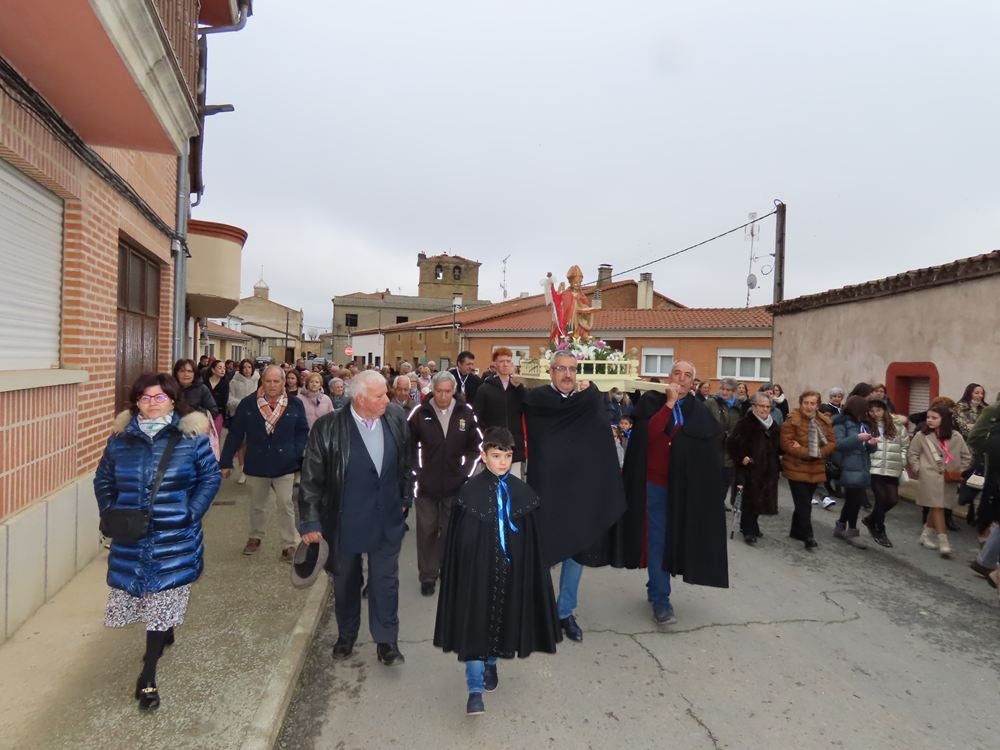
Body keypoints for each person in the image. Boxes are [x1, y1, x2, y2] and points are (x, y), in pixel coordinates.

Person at [94, 373, 220, 710]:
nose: (152, 403)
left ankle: (147, 675)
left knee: (163, 603)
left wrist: (191, 514)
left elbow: (209, 477)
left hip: (174, 536)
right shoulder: (120, 438)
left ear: (172, 400)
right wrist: (109, 512)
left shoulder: (190, 436)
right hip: (132, 535)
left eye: (159, 397)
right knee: (143, 597)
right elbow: (103, 477)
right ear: (136, 401)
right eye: (145, 397)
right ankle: (164, 633)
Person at [433, 427, 560, 716]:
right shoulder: (469, 492)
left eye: (507, 456)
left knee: (500, 621)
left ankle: (491, 663)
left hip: (509, 575)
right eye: (496, 456)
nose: (502, 462)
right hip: (476, 575)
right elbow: (458, 540)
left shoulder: (522, 493)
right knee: (475, 625)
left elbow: (531, 541)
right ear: (483, 456)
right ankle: (474, 688)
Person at [298, 370, 412, 666]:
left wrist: (404, 499)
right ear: (359, 398)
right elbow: (311, 479)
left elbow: (405, 463)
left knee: (385, 582)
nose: (387, 399)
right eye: (379, 395)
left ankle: (387, 641)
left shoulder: (396, 418)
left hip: (386, 518)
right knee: (346, 581)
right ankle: (346, 634)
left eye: (386, 393)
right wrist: (310, 522)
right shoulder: (328, 427)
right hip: (345, 519)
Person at [523, 351, 626, 641]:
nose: (567, 374)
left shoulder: (589, 403)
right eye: (561, 369)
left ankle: (564, 612)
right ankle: (539, 612)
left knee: (577, 548)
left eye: (572, 369)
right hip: (548, 488)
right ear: (551, 372)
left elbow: (600, 442)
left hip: (580, 489)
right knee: (542, 549)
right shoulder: (538, 401)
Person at [618, 360, 728, 625]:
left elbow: (708, 454)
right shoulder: (652, 402)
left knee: (674, 540)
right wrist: (668, 404)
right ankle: (661, 599)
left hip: (684, 490)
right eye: (677, 373)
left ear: (693, 382)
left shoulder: (699, 412)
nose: (681, 378)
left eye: (687, 375)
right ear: (669, 377)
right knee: (657, 541)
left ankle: (656, 587)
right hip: (653, 485)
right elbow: (651, 435)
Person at [220, 365, 309, 561]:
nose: (272, 385)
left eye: (276, 381)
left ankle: (289, 544)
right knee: (257, 505)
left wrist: (296, 452)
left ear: (284, 383)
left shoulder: (295, 404)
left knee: (285, 504)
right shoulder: (248, 404)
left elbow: (302, 430)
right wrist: (225, 461)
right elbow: (235, 434)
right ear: (262, 381)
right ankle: (255, 536)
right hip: (257, 463)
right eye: (268, 381)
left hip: (285, 464)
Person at [408, 371, 482, 596]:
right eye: (439, 391)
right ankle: (428, 575)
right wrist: (416, 472)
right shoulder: (419, 414)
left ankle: (449, 569)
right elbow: (408, 447)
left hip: (455, 485)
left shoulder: (465, 414)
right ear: (432, 390)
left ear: (454, 392)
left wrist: (465, 472)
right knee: (427, 531)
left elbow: (476, 446)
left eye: (447, 391)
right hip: (426, 487)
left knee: (451, 532)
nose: (443, 396)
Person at [908, 406, 972, 557]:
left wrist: (960, 471)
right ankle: (944, 542)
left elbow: (966, 456)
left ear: (944, 420)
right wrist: (919, 468)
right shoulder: (922, 435)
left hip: (949, 478)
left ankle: (925, 535)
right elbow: (913, 454)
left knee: (937, 505)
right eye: (928, 417)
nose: (929, 420)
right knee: (938, 507)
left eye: (934, 417)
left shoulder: (956, 436)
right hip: (929, 476)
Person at [780, 390, 837, 550]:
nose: (809, 406)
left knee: (803, 503)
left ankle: (795, 531)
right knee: (804, 503)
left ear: (817, 405)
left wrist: (818, 452)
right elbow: (787, 443)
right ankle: (808, 536)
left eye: (813, 403)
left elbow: (832, 443)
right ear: (801, 403)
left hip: (816, 469)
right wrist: (809, 452)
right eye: (806, 403)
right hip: (795, 468)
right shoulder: (792, 420)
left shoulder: (824, 421)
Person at [727, 392, 781, 545]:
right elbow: (731, 443)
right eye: (761, 406)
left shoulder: (773, 425)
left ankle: (752, 525)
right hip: (750, 468)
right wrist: (741, 457)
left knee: (761, 500)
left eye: (767, 406)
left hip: (768, 469)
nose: (764, 409)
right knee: (750, 500)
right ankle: (748, 530)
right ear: (754, 406)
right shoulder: (745, 423)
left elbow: (778, 446)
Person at [831, 395, 878, 548]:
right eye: (865, 410)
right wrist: (857, 438)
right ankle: (851, 531)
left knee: (853, 500)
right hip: (847, 467)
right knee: (855, 501)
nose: (867, 413)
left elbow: (869, 449)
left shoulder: (863, 424)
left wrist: (871, 444)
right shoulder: (841, 423)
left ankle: (840, 526)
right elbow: (837, 444)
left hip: (862, 466)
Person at [861, 396, 908, 547]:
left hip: (892, 468)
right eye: (872, 410)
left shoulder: (897, 425)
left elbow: (904, 446)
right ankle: (880, 530)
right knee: (881, 499)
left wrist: (902, 462)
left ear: (885, 410)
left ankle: (870, 520)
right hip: (874, 467)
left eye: (879, 409)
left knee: (892, 500)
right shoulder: (867, 425)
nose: (875, 413)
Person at [473, 348, 526, 478]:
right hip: (493, 445)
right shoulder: (484, 389)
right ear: (495, 364)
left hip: (514, 445)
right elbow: (477, 418)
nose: (505, 364)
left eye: (508, 361)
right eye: (501, 361)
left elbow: (528, 405)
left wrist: (518, 387)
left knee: (513, 485)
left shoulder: (518, 387)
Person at [954, 383, 989, 525]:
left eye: (981, 393)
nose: (980, 396)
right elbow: (965, 429)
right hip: (966, 448)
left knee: (980, 479)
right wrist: (980, 429)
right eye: (976, 393)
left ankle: (974, 509)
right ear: (970, 393)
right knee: (966, 477)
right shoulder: (960, 407)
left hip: (983, 449)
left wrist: (977, 428)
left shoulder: (986, 409)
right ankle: (966, 503)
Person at [705, 378, 742, 508]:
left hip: (730, 450)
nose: (724, 392)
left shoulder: (737, 406)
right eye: (723, 389)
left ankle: (719, 503)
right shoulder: (711, 403)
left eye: (728, 390)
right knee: (712, 481)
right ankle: (712, 505)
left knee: (726, 480)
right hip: (713, 449)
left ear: (733, 391)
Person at [227, 359, 260, 485]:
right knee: (241, 445)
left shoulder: (258, 381)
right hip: (239, 416)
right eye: (244, 367)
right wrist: (241, 403)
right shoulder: (234, 381)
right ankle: (243, 471)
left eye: (249, 367)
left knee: (253, 444)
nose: (247, 370)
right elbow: (230, 399)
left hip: (256, 416)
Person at [205, 359, 229, 432]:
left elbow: (224, 400)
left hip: (218, 414)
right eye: (220, 368)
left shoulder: (225, 383)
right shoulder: (204, 381)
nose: (223, 370)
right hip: (204, 413)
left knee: (216, 435)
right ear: (213, 370)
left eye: (224, 368)